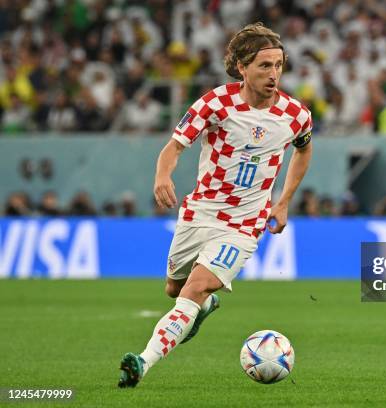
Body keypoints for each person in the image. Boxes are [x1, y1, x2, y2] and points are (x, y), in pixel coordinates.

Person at [117, 22, 313, 388]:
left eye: (279, 65)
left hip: (244, 224)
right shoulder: (215, 104)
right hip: (200, 212)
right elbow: (174, 147)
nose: (274, 75)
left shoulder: (295, 114)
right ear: (242, 67)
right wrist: (163, 176)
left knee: (195, 288)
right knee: (175, 290)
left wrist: (283, 201)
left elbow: (303, 150)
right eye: (265, 66)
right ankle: (203, 309)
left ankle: (141, 363)